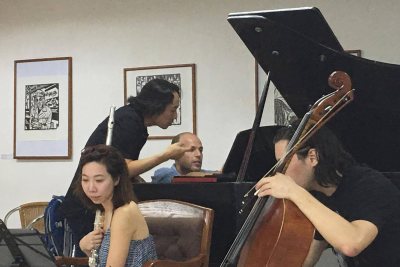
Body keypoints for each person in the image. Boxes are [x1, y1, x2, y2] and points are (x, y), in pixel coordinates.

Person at [59, 78, 192, 254]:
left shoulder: (134, 120)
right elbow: (124, 168)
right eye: (173, 109)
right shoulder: (129, 121)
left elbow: (122, 167)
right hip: (86, 207)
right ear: (157, 105)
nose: (174, 116)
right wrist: (166, 154)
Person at [254, 120, 400, 267]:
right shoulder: (319, 194)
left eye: (284, 164)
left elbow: (351, 245)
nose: (279, 173)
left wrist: (293, 191)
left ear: (312, 157)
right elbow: (310, 256)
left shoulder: (370, 186)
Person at [75, 144, 157, 266]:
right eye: (85, 180)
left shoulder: (124, 213)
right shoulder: (103, 210)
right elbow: (102, 262)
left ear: (116, 179)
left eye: (99, 180)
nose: (91, 188)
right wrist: (86, 248)